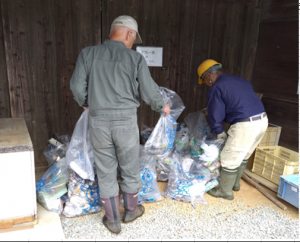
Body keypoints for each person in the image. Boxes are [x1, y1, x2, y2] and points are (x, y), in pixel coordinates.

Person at [70, 15, 170, 234]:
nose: (133, 42)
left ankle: (113, 220)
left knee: (106, 170)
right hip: (125, 121)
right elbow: (149, 90)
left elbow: (77, 87)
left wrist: (88, 103)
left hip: (99, 121)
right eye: (134, 38)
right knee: (129, 167)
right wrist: (161, 106)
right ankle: (131, 211)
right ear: (129, 34)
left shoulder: (88, 54)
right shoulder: (135, 59)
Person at [197, 59, 268, 200]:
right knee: (243, 155)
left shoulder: (216, 87)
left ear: (208, 75)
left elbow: (215, 114)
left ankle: (225, 192)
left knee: (229, 159)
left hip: (245, 125)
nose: (205, 83)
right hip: (262, 121)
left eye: (203, 80)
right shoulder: (240, 80)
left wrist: (219, 132)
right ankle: (235, 185)